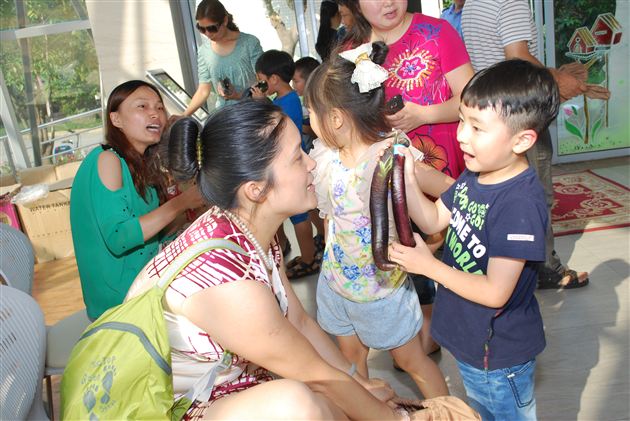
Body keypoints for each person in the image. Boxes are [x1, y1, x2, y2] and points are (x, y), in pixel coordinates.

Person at [125, 100, 411, 421]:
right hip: (171, 412)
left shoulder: (244, 228)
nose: (311, 165)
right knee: (298, 404)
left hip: (225, 393)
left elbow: (298, 321)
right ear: (256, 189)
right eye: (296, 158)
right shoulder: (224, 278)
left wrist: (359, 382)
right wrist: (402, 418)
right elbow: (317, 375)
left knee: (340, 401)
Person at [389, 59, 559, 420]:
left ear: (522, 139)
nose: (462, 135)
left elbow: (497, 291)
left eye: (477, 127)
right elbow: (434, 217)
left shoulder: (520, 205)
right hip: (472, 345)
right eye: (462, 120)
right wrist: (405, 175)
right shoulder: (477, 174)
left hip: (499, 357)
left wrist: (430, 267)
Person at [305, 41, 451, 399]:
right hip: (336, 282)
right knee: (352, 364)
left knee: (412, 361)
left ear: (335, 117)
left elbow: (446, 186)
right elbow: (330, 218)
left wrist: (445, 224)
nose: (309, 121)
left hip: (380, 289)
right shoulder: (327, 155)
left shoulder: (390, 156)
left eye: (310, 112)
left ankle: (445, 410)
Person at [343, 0, 475, 357]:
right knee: (405, 248)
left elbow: (472, 100)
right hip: (389, 178)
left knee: (457, 251)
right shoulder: (349, 51)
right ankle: (422, 324)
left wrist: (424, 114)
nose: (388, 2)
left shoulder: (438, 33)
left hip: (445, 168)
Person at [461, 0, 609, 289]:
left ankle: (501, 265)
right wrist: (556, 81)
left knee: (498, 193)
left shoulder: (474, 3)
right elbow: (517, 57)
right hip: (520, 112)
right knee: (536, 194)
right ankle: (544, 269)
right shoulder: (511, 2)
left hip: (489, 112)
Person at [70, 80, 204, 320]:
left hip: (145, 284)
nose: (155, 113)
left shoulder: (142, 168)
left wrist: (193, 208)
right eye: (142, 106)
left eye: (160, 107)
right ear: (116, 119)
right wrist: (181, 203)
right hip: (121, 305)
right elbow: (119, 238)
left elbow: (155, 234)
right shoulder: (106, 159)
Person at [252, 50, 322, 279]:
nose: (259, 84)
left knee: (299, 216)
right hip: (287, 163)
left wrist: (264, 105)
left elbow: (283, 127)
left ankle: (309, 259)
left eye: (261, 79)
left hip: (294, 163)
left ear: (273, 79)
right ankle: (313, 248)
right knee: (306, 212)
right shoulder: (281, 100)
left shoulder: (289, 100)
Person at [181, 0, 262, 116]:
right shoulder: (204, 51)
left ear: (224, 20)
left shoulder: (249, 43)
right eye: (201, 29)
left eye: (212, 28)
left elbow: (264, 81)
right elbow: (203, 90)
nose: (207, 34)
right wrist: (184, 115)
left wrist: (238, 95)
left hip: (252, 114)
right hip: (224, 117)